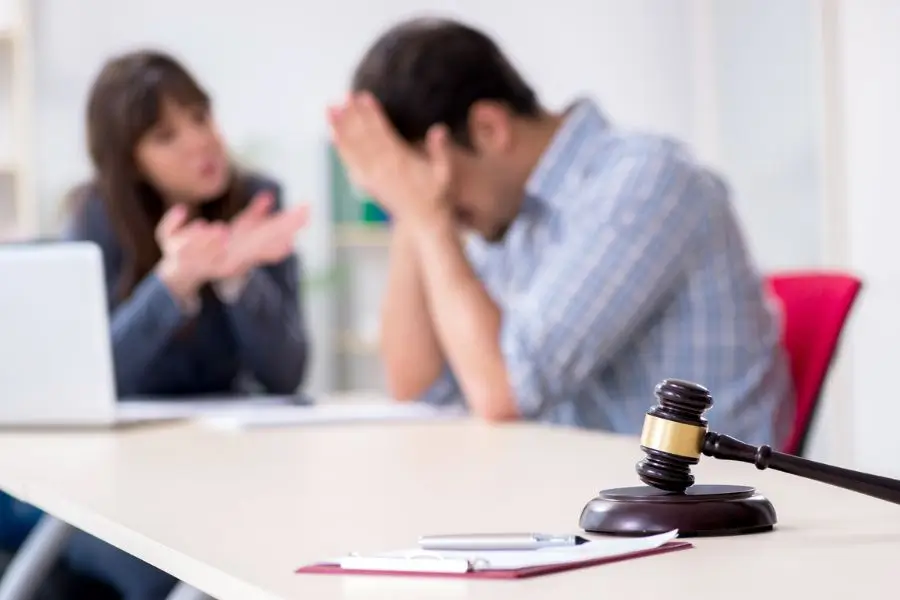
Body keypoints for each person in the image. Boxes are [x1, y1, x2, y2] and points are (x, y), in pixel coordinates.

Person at [327, 17, 794, 447]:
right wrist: (412, 213)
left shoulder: (644, 181)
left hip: (692, 514)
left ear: (489, 129)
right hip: (584, 503)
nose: (441, 203)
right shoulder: (511, 214)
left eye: (435, 183)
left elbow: (502, 393)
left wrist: (428, 218)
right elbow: (419, 390)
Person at [0, 50, 310, 600]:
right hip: (112, 480)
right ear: (131, 161)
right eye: (167, 135)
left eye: (200, 116)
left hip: (225, 470)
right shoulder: (97, 218)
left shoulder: (257, 203)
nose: (201, 141)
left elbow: (286, 375)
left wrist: (239, 280)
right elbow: (86, 381)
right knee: (161, 569)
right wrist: (172, 285)